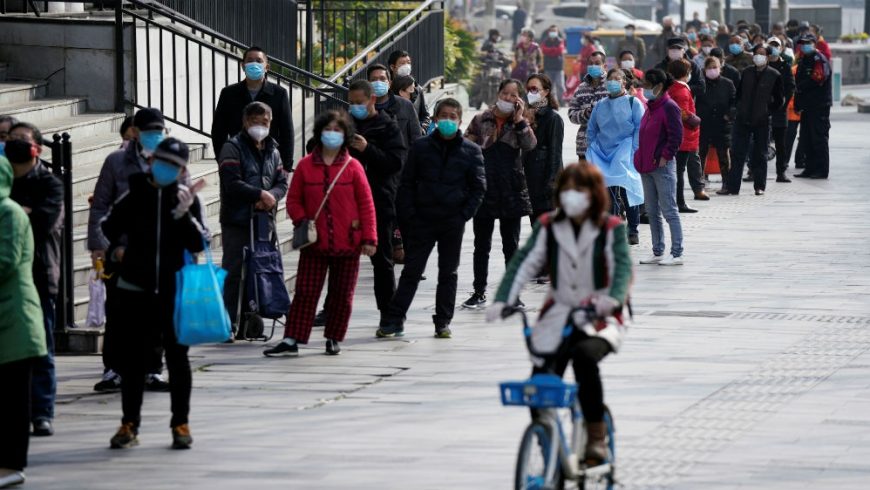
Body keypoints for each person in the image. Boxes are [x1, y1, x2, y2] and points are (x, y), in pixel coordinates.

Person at [486, 163, 632, 463]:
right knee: (538, 383)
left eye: (579, 190)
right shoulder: (548, 226)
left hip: (601, 314)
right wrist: (503, 299)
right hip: (559, 311)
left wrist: (613, 300)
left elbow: (622, 271)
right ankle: (547, 444)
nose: (571, 196)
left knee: (583, 357)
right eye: (566, 190)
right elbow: (524, 262)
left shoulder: (611, 229)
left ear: (593, 194)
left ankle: (596, 437)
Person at [101, 137, 208, 450]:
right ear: (151, 161)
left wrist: (184, 215)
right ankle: (129, 423)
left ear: (182, 170)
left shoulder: (185, 197)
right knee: (133, 361)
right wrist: (120, 250)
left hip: (175, 291)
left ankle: (180, 423)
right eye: (162, 162)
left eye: (174, 166)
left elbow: (199, 243)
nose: (166, 169)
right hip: (136, 289)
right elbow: (109, 226)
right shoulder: (135, 193)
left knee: (178, 359)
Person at [264, 111, 377, 357]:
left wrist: (369, 238)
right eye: (328, 130)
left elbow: (366, 204)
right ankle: (292, 339)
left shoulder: (353, 166)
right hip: (314, 242)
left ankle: (334, 337)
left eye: (338, 130)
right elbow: (293, 200)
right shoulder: (305, 165)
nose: (332, 135)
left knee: (342, 295)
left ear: (345, 135)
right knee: (305, 291)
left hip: (348, 242)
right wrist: (302, 220)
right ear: (319, 133)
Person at [376, 99, 486, 339]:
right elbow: (406, 183)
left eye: (452, 116)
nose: (447, 120)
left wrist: (463, 215)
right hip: (422, 219)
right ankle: (394, 320)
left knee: (448, 273)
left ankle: (442, 322)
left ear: (459, 120)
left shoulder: (471, 151)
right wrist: (410, 214)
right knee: (411, 272)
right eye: (443, 116)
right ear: (435, 119)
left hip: (452, 221)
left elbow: (478, 188)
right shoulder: (421, 147)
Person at [88, 108, 173, 393]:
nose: (154, 136)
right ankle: (114, 368)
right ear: (135, 132)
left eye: (158, 131)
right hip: (120, 250)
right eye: (148, 131)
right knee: (119, 311)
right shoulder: (116, 162)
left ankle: (152, 369)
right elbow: (100, 204)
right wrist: (98, 245)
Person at [6, 123, 63, 438]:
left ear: (37, 148)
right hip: (7, 277)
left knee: (41, 347)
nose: (13, 145)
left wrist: (12, 214)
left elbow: (43, 223)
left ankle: (42, 412)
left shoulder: (49, 183)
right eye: (10, 140)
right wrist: (22, 212)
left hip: (39, 275)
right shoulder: (3, 182)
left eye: (20, 141)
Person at [462, 78, 536, 309]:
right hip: (484, 187)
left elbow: (530, 145)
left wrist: (519, 119)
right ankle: (478, 291)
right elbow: (465, 144)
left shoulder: (520, 122)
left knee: (511, 244)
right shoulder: (481, 119)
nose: (508, 98)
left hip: (510, 188)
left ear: (519, 100)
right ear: (498, 93)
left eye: (513, 95)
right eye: (505, 93)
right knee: (481, 244)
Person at [217, 101, 288, 337]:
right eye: (256, 122)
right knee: (234, 271)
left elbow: (281, 182)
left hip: (262, 219)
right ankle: (229, 322)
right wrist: (258, 194)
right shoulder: (232, 147)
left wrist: (270, 197)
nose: (261, 126)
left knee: (258, 270)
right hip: (237, 219)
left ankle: (251, 321)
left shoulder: (273, 150)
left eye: (265, 122)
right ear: (246, 122)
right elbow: (232, 182)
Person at [0, 156, 47, 489]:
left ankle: (12, 465)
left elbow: (5, 262)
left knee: (14, 400)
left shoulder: (10, 214)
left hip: (14, 320)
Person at [346, 80, 408, 313]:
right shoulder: (346, 125)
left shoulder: (387, 126)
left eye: (359, 103)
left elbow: (395, 162)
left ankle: (389, 313)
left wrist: (367, 150)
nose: (355, 107)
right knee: (339, 259)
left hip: (378, 201)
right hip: (347, 202)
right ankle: (332, 309)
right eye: (351, 103)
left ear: (372, 100)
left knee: (382, 261)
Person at [586, 68, 645, 246]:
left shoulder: (633, 103)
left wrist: (635, 148)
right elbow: (592, 128)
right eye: (609, 79)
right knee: (608, 192)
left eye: (616, 79)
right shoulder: (600, 105)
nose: (612, 82)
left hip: (625, 149)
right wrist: (593, 147)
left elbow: (639, 127)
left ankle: (633, 229)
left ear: (624, 82)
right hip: (603, 151)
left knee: (628, 190)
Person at [212, 46, 295, 171]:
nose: (254, 64)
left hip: (269, 162)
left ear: (267, 67)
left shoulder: (279, 94)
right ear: (243, 66)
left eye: (259, 61)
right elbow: (219, 131)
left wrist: (286, 166)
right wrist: (222, 159)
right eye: (250, 60)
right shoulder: (229, 94)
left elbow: (287, 132)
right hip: (237, 161)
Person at [634, 69, 684, 266]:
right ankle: (657, 250)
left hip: (661, 167)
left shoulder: (669, 107)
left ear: (659, 86)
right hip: (646, 166)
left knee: (669, 210)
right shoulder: (650, 107)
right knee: (652, 211)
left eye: (646, 85)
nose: (643, 88)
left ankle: (677, 252)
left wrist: (665, 156)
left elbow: (675, 136)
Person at [721, 44, 784, 196]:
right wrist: (737, 109)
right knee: (737, 153)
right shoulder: (747, 72)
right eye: (756, 53)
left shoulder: (775, 75)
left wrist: (768, 111)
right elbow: (739, 94)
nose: (758, 56)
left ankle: (759, 186)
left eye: (762, 54)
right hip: (743, 118)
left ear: (768, 57)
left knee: (760, 154)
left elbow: (779, 99)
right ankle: (732, 187)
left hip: (762, 120)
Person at [666, 59, 708, 212]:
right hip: (684, 136)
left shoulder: (673, 88)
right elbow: (682, 113)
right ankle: (680, 203)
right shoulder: (682, 90)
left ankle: (677, 201)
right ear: (686, 73)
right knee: (679, 171)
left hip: (679, 135)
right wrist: (696, 120)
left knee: (677, 170)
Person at [523, 74, 564, 223]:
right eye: (528, 89)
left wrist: (551, 183)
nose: (530, 93)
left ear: (546, 91)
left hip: (546, 185)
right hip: (531, 181)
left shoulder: (553, 118)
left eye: (534, 89)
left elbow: (555, 154)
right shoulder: (525, 116)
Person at [793, 34, 832, 180]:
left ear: (814, 44)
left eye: (808, 43)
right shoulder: (803, 60)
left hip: (819, 106)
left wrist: (801, 87)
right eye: (802, 43)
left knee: (818, 138)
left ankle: (821, 170)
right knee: (806, 138)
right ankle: (809, 169)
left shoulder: (819, 59)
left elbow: (818, 78)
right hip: (807, 106)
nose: (804, 45)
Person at [696, 56, 736, 192]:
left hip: (722, 124)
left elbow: (734, 102)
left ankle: (726, 183)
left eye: (715, 67)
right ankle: (699, 183)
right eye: (709, 68)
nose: (712, 70)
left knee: (723, 154)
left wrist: (729, 115)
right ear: (704, 69)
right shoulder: (700, 83)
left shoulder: (728, 83)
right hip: (704, 123)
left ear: (720, 68)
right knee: (701, 154)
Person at [369, 63, 422, 149]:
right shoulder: (363, 109)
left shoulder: (405, 105)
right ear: (368, 84)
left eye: (382, 79)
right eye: (374, 80)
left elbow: (416, 137)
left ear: (389, 83)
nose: (378, 82)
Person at [568, 51, 609, 161]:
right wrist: (585, 113)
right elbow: (571, 114)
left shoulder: (611, 86)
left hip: (607, 147)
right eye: (591, 63)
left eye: (597, 63)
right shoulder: (581, 88)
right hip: (584, 147)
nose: (593, 66)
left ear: (604, 66)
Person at [767, 37, 796, 183]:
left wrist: (782, 104)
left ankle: (781, 171)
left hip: (780, 109)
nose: (773, 48)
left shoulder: (785, 66)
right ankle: (753, 170)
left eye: (776, 45)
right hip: (763, 109)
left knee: (780, 143)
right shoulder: (762, 64)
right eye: (770, 45)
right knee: (758, 142)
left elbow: (791, 87)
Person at [387, 50, 431, 132]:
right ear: (392, 67)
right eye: (402, 63)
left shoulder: (418, 89)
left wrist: (422, 129)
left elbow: (425, 115)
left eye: (408, 62)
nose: (406, 66)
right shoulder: (386, 90)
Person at [540, 25, 566, 102]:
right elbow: (544, 50)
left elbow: (560, 50)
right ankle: (552, 101)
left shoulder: (560, 41)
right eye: (552, 31)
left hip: (558, 67)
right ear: (549, 32)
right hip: (548, 67)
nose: (553, 32)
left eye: (554, 31)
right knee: (549, 86)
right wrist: (554, 51)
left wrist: (550, 51)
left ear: (557, 32)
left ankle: (561, 101)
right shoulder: (545, 41)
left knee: (560, 85)